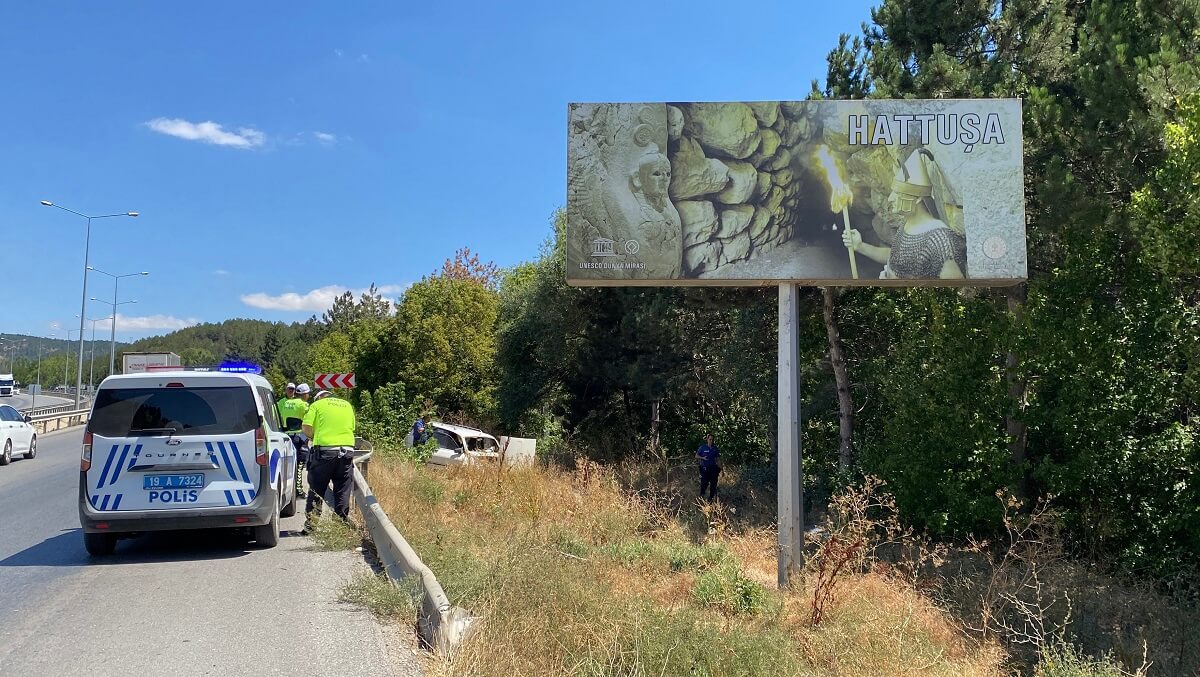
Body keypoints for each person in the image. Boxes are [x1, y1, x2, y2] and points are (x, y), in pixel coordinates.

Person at [842, 147, 967, 280]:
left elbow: (953, 292)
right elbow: (897, 259)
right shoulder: (907, 224)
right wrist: (860, 246)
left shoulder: (940, 240)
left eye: (898, 194)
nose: (890, 199)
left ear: (917, 198)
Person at [301, 389, 357, 532]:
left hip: (324, 452)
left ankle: (312, 525)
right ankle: (340, 525)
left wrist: (312, 437)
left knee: (317, 488)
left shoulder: (317, 405)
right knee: (343, 488)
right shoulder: (347, 405)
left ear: (318, 398)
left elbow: (306, 427)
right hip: (346, 452)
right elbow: (352, 427)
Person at [278, 383, 312, 498]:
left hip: (286, 437)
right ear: (305, 394)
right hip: (299, 438)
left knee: (289, 465)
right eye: (308, 394)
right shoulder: (304, 405)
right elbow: (310, 420)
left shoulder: (285, 403)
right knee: (300, 464)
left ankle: (289, 489)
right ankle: (298, 489)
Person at [696, 433, 721, 500]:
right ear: (707, 439)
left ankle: (711, 497)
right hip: (704, 468)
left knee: (713, 483)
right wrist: (702, 458)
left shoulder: (715, 448)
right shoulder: (702, 447)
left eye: (712, 440)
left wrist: (721, 469)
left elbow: (718, 459)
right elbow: (696, 456)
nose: (711, 441)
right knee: (704, 482)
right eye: (710, 439)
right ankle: (702, 495)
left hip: (713, 467)